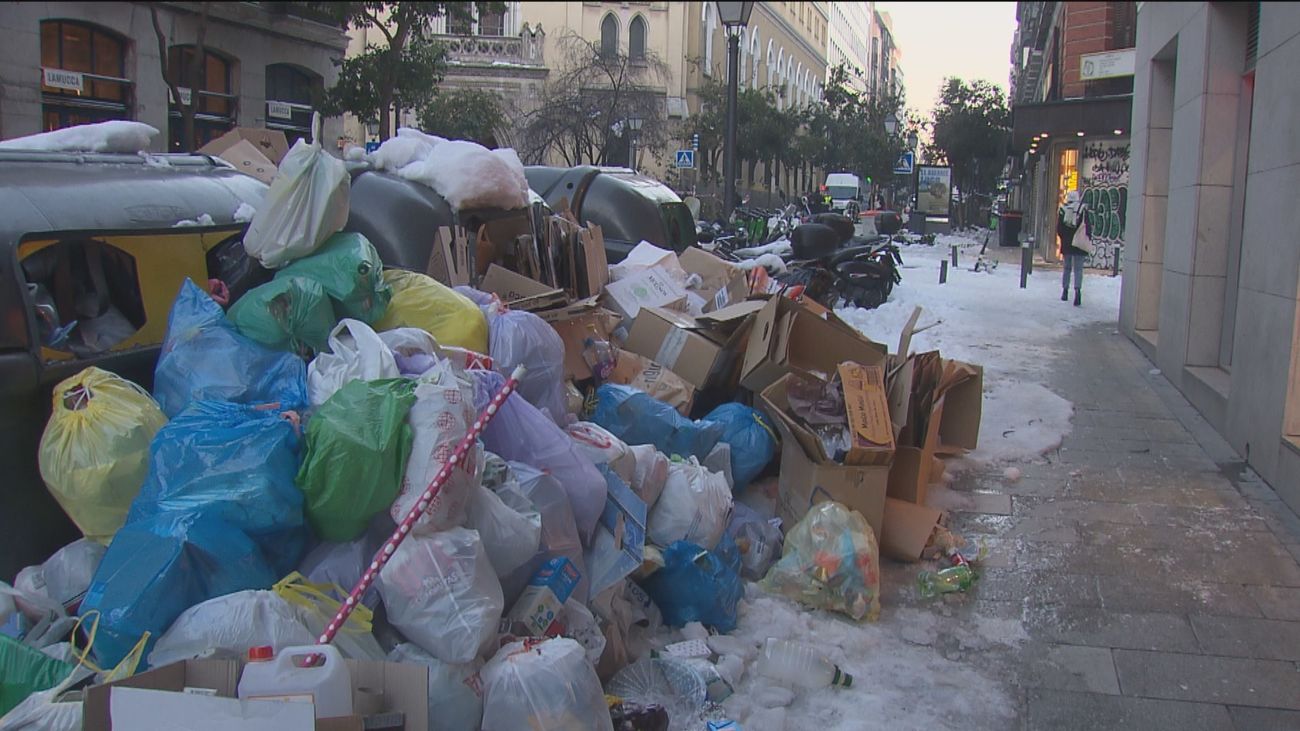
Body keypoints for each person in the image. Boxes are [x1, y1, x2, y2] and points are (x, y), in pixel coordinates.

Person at [1057, 190, 1089, 306]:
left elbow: (1059, 229)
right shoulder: (1082, 209)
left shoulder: (1062, 209)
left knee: (1067, 268)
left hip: (1067, 244)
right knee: (1078, 269)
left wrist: (1064, 238)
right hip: (1079, 244)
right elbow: (1088, 226)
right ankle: (1077, 291)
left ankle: (1065, 291)